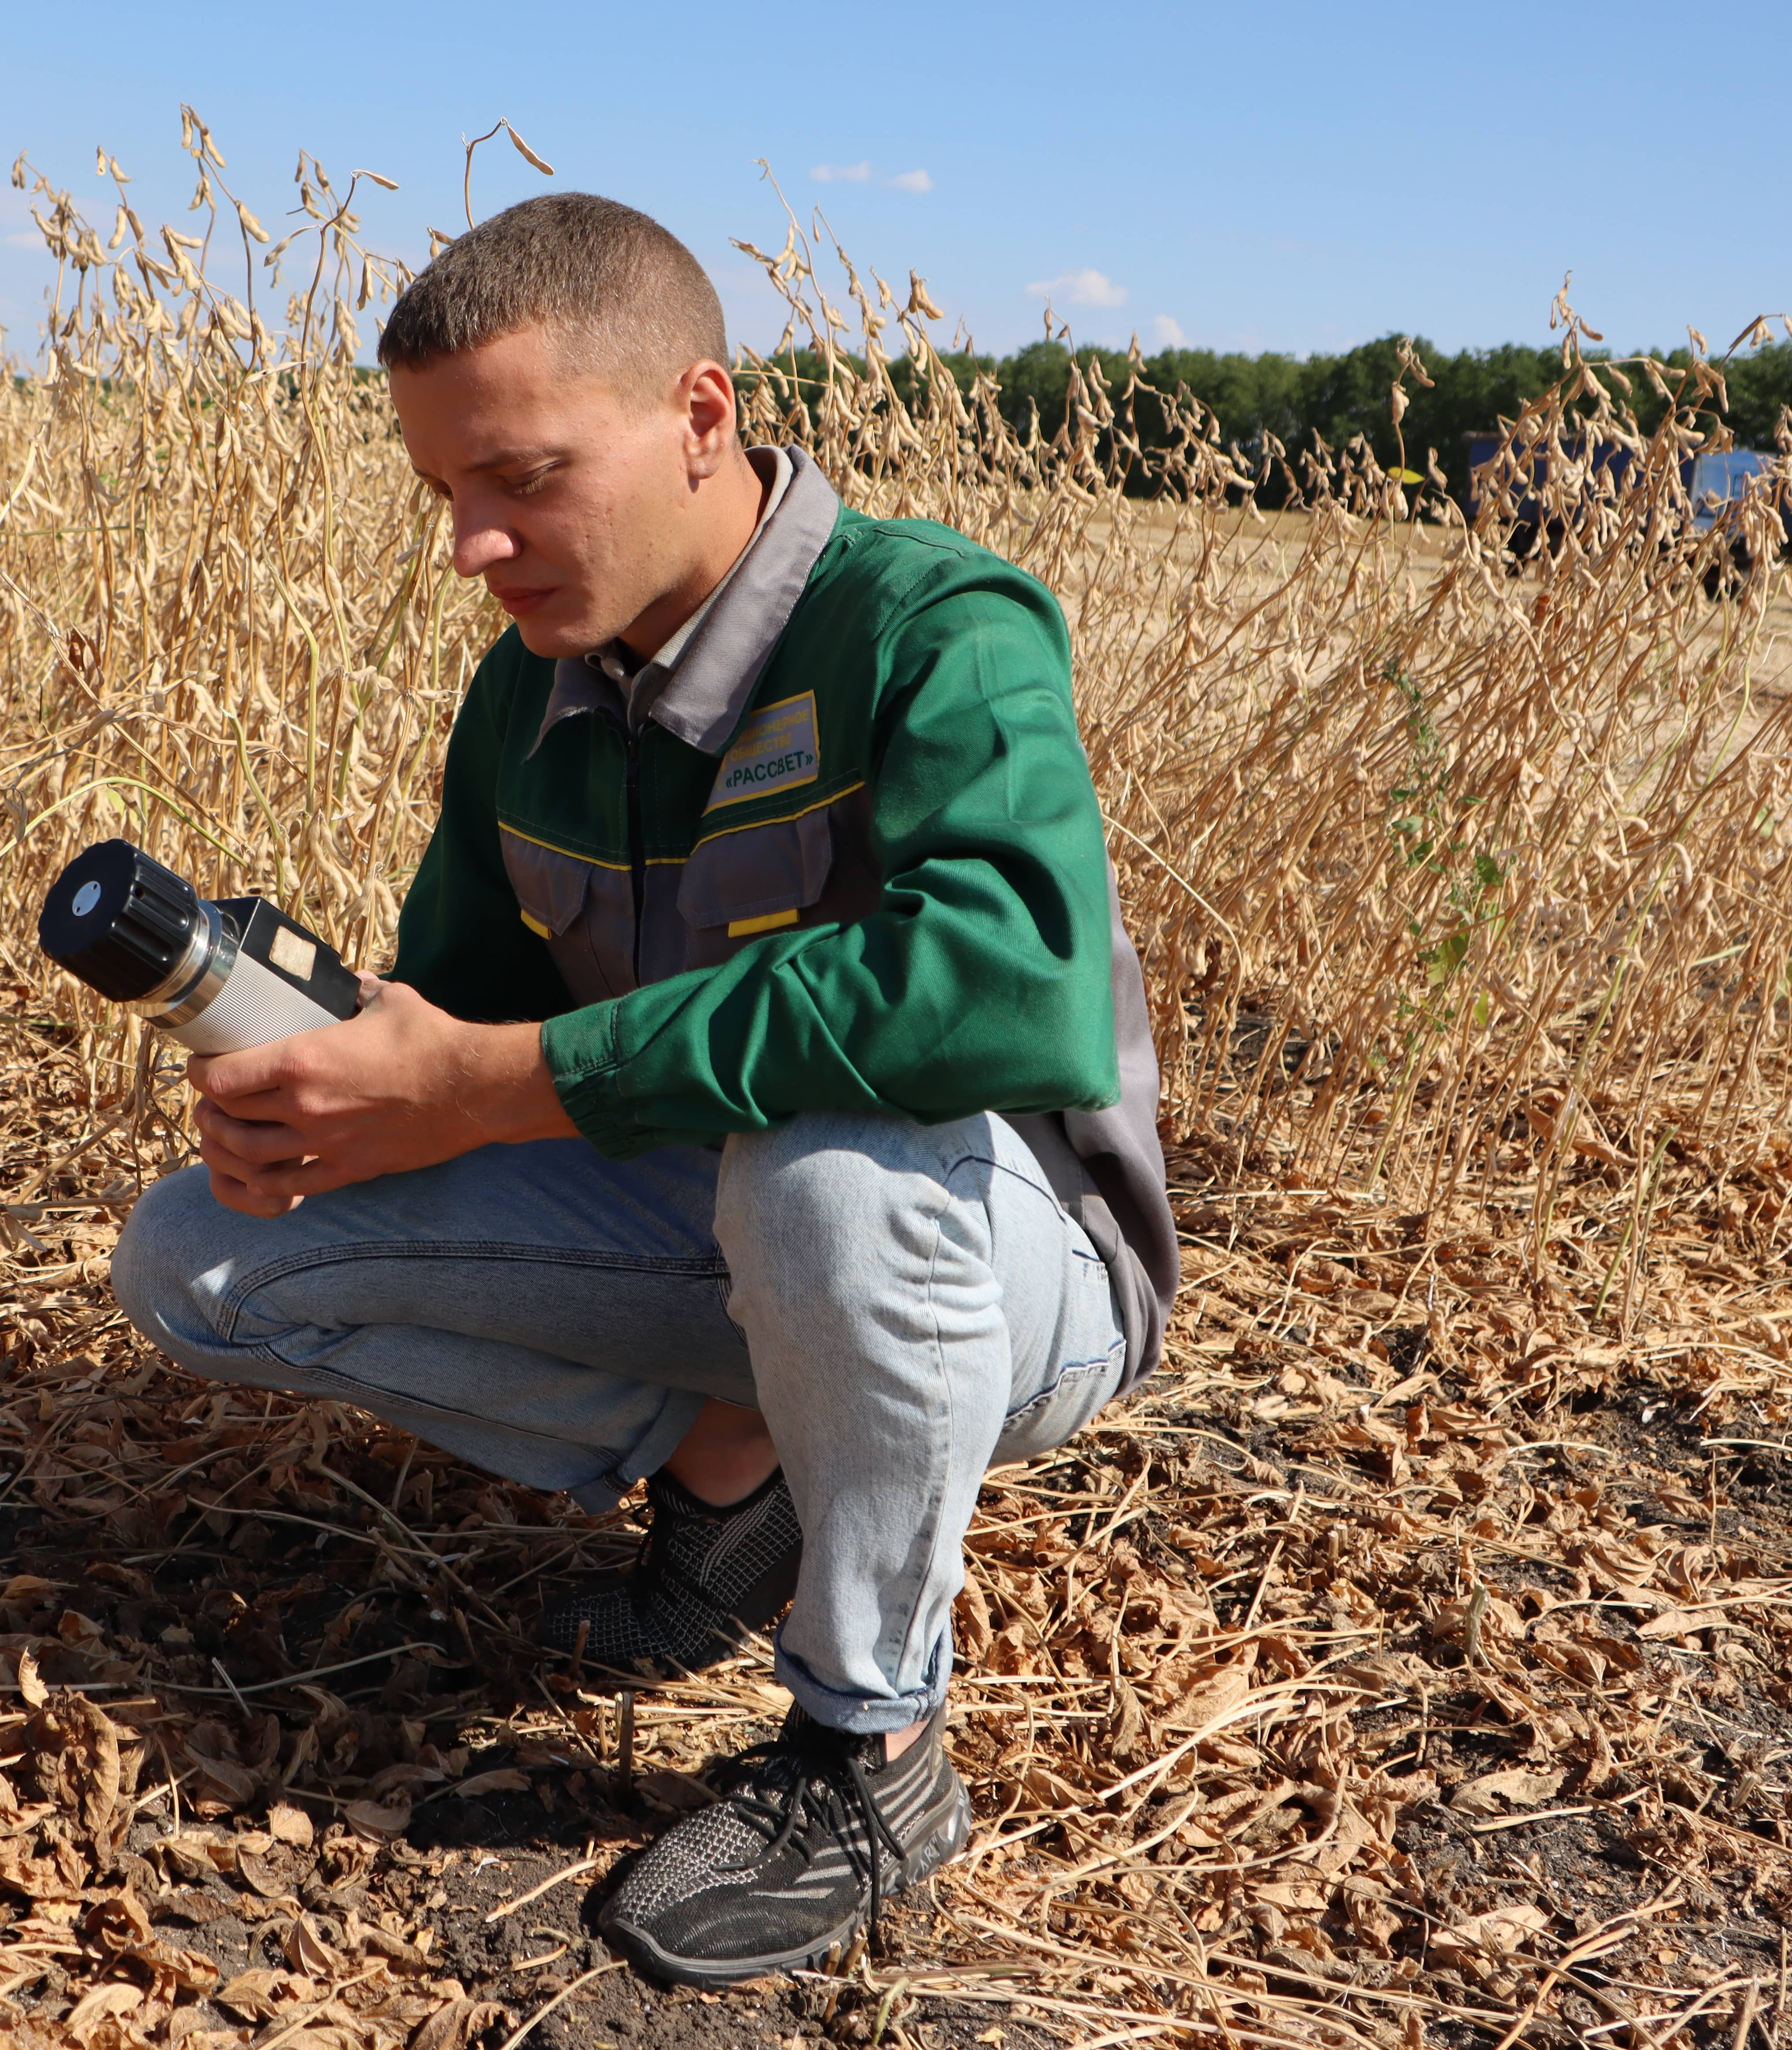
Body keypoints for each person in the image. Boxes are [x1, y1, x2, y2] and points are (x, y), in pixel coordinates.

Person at [109, 192, 1176, 1988]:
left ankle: (870, 1748)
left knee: (821, 1173)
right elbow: (463, 1014)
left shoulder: (936, 629)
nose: (472, 543)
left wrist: (494, 1079)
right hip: (733, 1238)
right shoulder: (526, 701)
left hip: (1005, 1262)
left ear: (699, 416)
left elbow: (998, 985)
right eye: (445, 492)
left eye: (520, 476)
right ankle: (731, 1463)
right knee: (201, 1255)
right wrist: (340, 1086)